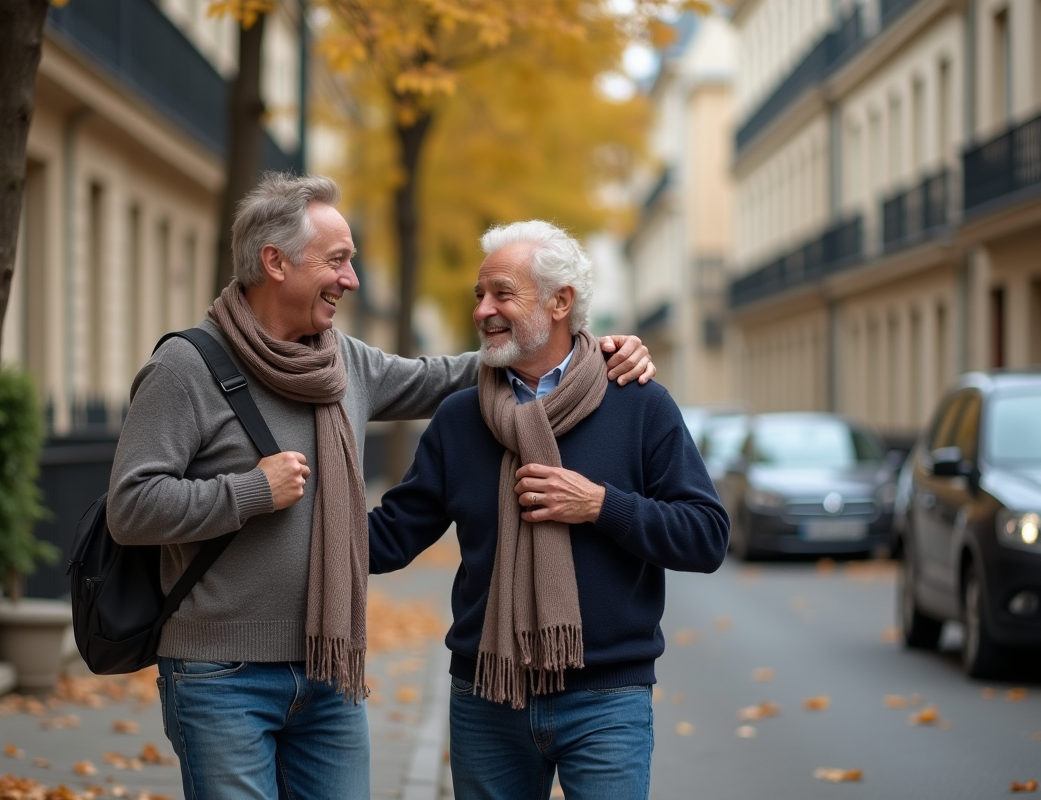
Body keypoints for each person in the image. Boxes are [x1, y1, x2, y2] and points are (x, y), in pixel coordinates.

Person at [106, 174, 656, 800]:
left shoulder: (345, 362)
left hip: (329, 668)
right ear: (274, 262)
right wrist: (251, 491)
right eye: (337, 260)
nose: (352, 279)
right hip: (220, 673)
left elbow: (457, 373)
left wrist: (590, 352)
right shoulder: (186, 368)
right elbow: (131, 507)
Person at [368, 220, 729, 800]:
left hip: (607, 699)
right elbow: (388, 538)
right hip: (487, 695)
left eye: (502, 294)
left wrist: (599, 505)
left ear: (561, 302)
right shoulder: (460, 419)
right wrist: (283, 516)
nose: (483, 309)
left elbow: (707, 537)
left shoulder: (638, 403)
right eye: (479, 295)